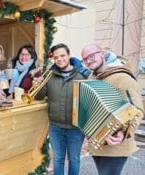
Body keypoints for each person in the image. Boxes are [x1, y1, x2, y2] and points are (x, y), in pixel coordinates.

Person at [81, 43, 144, 175]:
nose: (88, 61)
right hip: (97, 144)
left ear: (102, 54)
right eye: (85, 59)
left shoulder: (123, 78)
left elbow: (136, 110)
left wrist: (122, 132)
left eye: (92, 56)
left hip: (116, 146)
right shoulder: (92, 77)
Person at [34, 43, 91, 175]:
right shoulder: (49, 75)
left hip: (76, 127)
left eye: (62, 55)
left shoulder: (83, 75)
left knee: (74, 159)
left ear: (69, 55)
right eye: (56, 57)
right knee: (58, 159)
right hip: (55, 126)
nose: (59, 59)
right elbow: (40, 96)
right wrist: (38, 86)